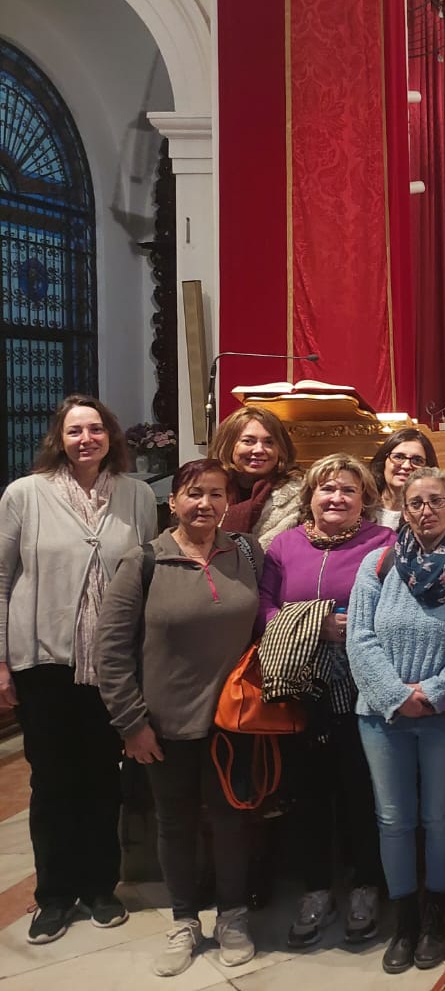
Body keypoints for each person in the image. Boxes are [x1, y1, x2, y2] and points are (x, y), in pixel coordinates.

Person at [94, 458, 261, 976]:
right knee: (176, 823)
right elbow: (111, 649)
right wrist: (130, 723)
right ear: (173, 501)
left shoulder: (244, 554)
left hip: (234, 721)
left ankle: (233, 916)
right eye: (193, 494)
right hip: (164, 725)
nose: (204, 504)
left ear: (228, 503)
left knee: (234, 820)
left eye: (215, 494)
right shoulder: (143, 562)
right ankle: (185, 919)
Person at [0, 395, 156, 943]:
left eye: (95, 429)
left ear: (110, 435)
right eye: (74, 431)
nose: (85, 438)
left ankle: (100, 887)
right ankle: (53, 894)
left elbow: (145, 577)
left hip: (111, 664)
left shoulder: (137, 496)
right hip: (44, 662)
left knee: (102, 780)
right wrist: (0, 661)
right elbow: (1, 579)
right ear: (58, 439)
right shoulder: (25, 494)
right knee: (52, 782)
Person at [258, 453, 394, 949]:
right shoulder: (284, 546)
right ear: (310, 497)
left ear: (365, 501)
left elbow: (395, 605)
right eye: (326, 489)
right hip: (299, 685)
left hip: (362, 686)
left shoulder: (383, 544)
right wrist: (312, 625)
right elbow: (265, 604)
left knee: (363, 790)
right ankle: (315, 888)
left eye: (348, 491)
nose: (336, 498)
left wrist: (351, 630)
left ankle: (365, 886)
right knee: (308, 791)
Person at [347, 466, 445, 974]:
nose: (426, 511)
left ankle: (435, 915)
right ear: (402, 506)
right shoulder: (377, 565)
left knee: (439, 816)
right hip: (382, 714)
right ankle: (404, 918)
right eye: (415, 502)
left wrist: (436, 693)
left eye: (436, 501)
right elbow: (359, 637)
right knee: (393, 819)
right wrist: (397, 696)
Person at [210, 404, 304, 544]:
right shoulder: (207, 492)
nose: (259, 449)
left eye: (269, 442)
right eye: (248, 441)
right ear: (228, 445)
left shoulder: (303, 497)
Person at [370, 428, 439, 531]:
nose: (406, 466)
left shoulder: (433, 513)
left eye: (417, 460)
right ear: (383, 461)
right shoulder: (362, 505)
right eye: (398, 457)